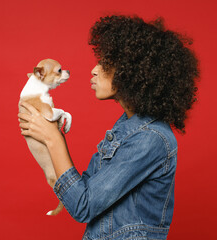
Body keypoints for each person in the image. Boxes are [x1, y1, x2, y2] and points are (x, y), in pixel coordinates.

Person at [18, 15, 199, 240]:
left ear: (133, 72)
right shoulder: (127, 130)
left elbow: (82, 206)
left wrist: (53, 139)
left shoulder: (150, 139)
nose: (93, 70)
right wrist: (48, 138)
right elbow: (81, 192)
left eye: (104, 64)